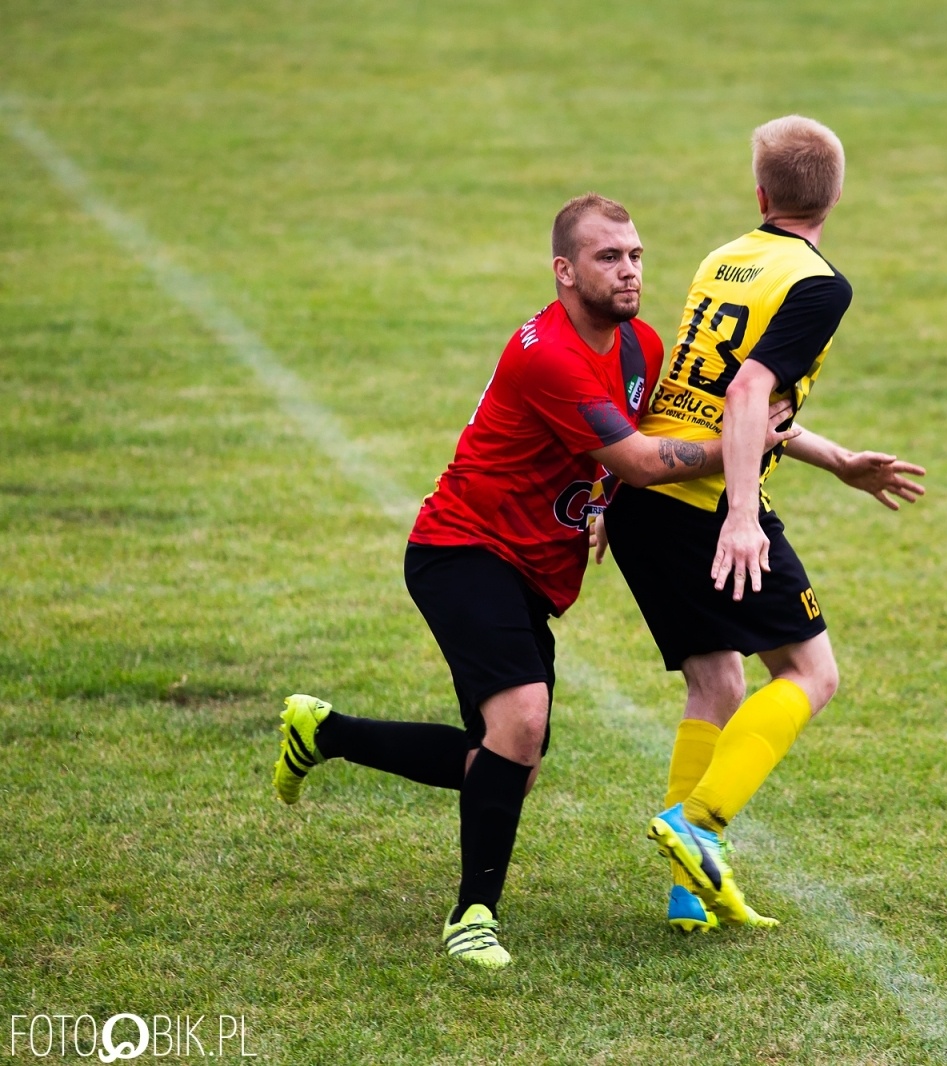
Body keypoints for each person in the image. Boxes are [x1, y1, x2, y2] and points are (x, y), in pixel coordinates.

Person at [269, 193, 794, 969]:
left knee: (508, 766)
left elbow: (679, 429)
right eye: (608, 258)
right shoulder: (548, 354)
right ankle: (472, 916)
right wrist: (738, 452)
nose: (629, 271)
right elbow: (646, 461)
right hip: (462, 549)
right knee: (519, 720)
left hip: (534, 570)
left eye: (637, 256)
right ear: (564, 271)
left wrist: (836, 458)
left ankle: (325, 732)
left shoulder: (642, 346)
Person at [600, 116, 925, 933]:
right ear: (838, 194)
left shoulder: (725, 259)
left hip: (647, 502)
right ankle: (695, 826)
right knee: (812, 675)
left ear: (760, 193)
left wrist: (838, 458)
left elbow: (716, 396)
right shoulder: (820, 283)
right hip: (704, 506)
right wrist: (742, 515)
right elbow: (747, 395)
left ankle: (688, 897)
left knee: (717, 684)